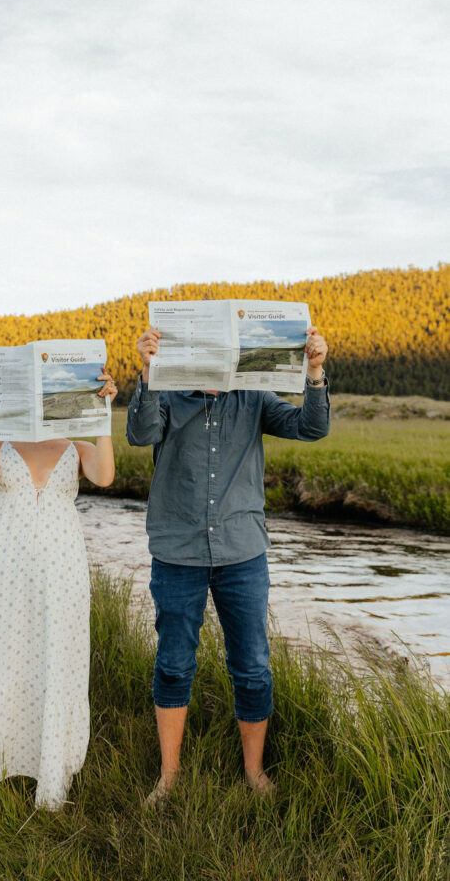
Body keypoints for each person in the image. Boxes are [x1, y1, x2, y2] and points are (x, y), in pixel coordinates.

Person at [126, 325, 329, 805]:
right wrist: (148, 370)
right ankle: (169, 777)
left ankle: (254, 774)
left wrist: (315, 371)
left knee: (253, 667)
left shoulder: (254, 396)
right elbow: (140, 434)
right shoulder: (170, 392)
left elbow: (311, 427)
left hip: (243, 553)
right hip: (178, 551)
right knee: (174, 665)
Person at [0, 367, 118, 810]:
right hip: (7, 567)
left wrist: (102, 412)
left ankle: (51, 770)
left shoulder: (75, 440)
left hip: (62, 569)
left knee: (55, 654)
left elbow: (104, 476)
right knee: (5, 652)